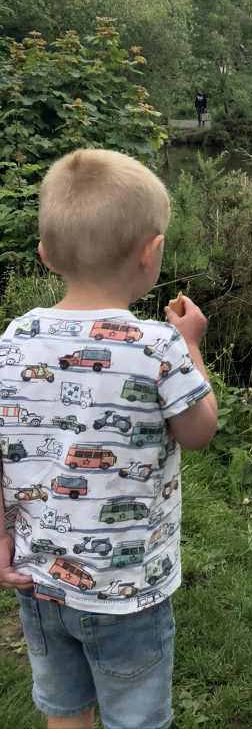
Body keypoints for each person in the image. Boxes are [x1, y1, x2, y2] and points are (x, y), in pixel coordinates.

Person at [0, 149, 218, 729]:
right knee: (136, 715)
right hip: (127, 591)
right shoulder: (157, 346)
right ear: (150, 254)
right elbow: (199, 432)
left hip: (40, 581)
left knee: (65, 708)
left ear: (46, 256)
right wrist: (191, 344)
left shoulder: (15, 339)